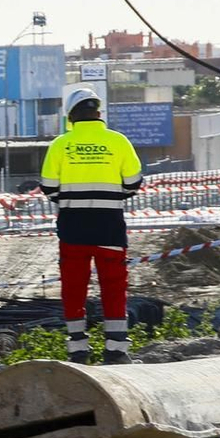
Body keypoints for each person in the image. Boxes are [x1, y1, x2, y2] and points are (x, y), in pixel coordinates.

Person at [39, 95, 143, 364]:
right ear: (98, 113)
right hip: (109, 227)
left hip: (73, 228)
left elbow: (49, 186)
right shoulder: (118, 141)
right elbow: (133, 182)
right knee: (114, 286)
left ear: (70, 117)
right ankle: (116, 350)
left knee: (74, 287)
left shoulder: (61, 144)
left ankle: (78, 350)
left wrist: (71, 200)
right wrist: (112, 197)